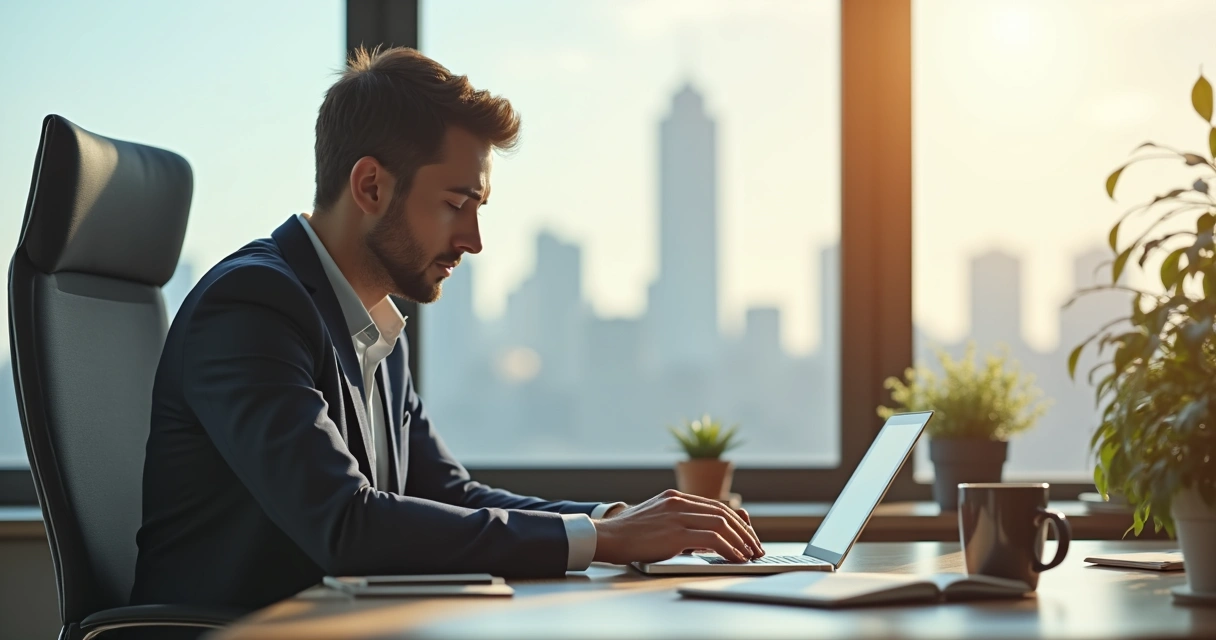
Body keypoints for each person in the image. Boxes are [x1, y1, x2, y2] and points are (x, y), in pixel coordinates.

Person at [130, 46, 762, 613]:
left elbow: (448, 492)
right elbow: (346, 524)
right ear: (371, 186)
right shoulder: (252, 306)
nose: (474, 240)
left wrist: (612, 519)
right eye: (457, 205)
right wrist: (602, 540)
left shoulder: (374, 321)